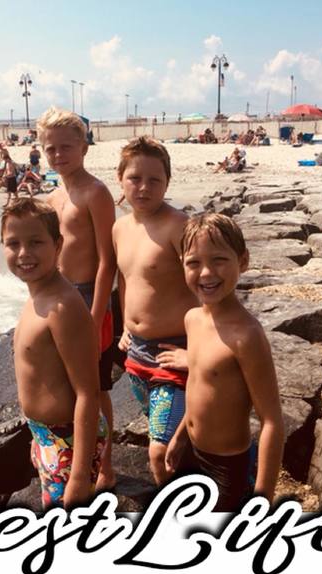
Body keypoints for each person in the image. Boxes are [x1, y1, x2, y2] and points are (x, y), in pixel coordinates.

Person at [166, 213, 285, 511]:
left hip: (226, 467)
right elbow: (198, 387)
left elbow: (272, 421)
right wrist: (180, 437)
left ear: (243, 261)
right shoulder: (192, 319)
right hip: (192, 452)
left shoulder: (247, 336)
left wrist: (263, 496)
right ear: (181, 264)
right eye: (193, 262)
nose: (206, 273)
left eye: (219, 260)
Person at [1, 197, 106, 509]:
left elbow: (89, 393)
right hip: (45, 433)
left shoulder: (63, 307)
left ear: (58, 245)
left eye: (36, 242)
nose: (24, 253)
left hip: (69, 439)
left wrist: (79, 475)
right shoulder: (37, 296)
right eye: (13, 243)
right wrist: (37, 436)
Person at [39, 106, 117, 491]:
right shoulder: (52, 198)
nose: (58, 155)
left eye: (66, 147)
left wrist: (97, 314)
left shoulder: (95, 193)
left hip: (89, 297)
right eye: (50, 148)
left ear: (84, 147)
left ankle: (106, 466)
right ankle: (72, 456)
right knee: (67, 384)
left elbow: (107, 261)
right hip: (59, 296)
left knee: (96, 388)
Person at [113, 136, 198, 485]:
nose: (144, 187)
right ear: (120, 179)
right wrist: (125, 327)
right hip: (136, 353)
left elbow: (208, 285)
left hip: (172, 352)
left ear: (167, 182)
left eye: (154, 180)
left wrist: (197, 352)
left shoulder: (179, 226)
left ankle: (169, 506)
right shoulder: (120, 228)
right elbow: (126, 279)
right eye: (135, 178)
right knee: (171, 435)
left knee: (159, 451)